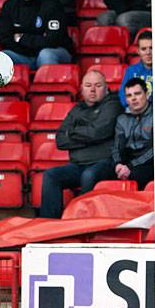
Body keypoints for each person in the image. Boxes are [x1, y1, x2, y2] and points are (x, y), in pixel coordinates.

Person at [40, 70, 123, 218]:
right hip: (78, 165)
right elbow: (60, 140)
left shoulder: (112, 104)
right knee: (51, 175)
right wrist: (88, 136)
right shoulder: (77, 109)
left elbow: (98, 132)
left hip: (105, 163)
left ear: (106, 87)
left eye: (97, 85)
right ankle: (49, 223)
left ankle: (81, 220)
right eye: (88, 85)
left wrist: (73, 133)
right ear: (81, 88)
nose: (92, 89)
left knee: (89, 175)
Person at [0, 0, 73, 70]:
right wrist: (37, 40)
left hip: (54, 52)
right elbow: (4, 39)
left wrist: (20, 38)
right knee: (1, 57)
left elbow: (53, 40)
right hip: (22, 55)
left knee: (45, 54)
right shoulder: (10, 5)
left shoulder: (54, 5)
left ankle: (47, 86)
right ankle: (11, 87)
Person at [112, 78, 154, 190]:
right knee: (100, 172)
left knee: (136, 175)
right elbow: (117, 146)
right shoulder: (122, 119)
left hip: (150, 163)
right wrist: (119, 164)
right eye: (129, 95)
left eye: (137, 93)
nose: (134, 98)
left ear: (147, 94)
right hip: (127, 162)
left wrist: (130, 166)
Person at [119, 31, 153, 108]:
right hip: (134, 113)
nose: (148, 52)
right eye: (144, 49)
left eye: (151, 48)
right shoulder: (131, 71)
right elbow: (123, 97)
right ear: (138, 51)